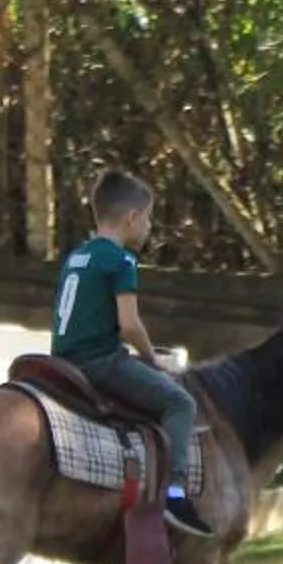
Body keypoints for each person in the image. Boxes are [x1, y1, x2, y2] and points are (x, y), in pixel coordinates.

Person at [51, 168, 214, 538]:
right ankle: (175, 494)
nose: (150, 227)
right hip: (100, 362)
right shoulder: (120, 260)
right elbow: (128, 324)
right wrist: (153, 359)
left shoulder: (78, 255)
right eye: (150, 217)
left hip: (61, 361)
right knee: (181, 404)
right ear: (132, 217)